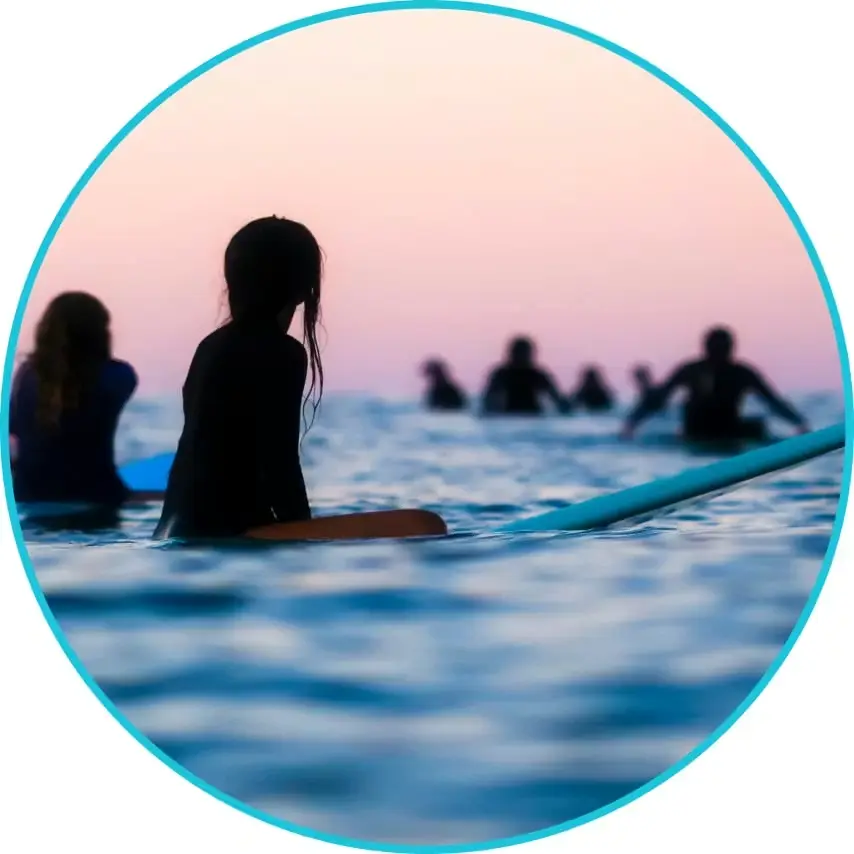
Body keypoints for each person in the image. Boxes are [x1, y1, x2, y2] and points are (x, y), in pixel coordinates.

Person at [154, 216, 446, 542]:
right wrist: (304, 541)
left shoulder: (209, 347)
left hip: (173, 528)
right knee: (427, 525)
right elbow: (281, 464)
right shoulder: (282, 353)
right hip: (228, 530)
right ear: (303, 288)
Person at [9, 292, 137, 506]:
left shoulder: (26, 376)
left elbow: (13, 428)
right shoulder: (119, 376)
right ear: (100, 333)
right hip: (97, 495)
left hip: (29, 496)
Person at [620, 326, 809, 442]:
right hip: (697, 431)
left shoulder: (741, 372)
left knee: (757, 427)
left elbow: (772, 401)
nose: (718, 353)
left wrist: (799, 423)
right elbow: (657, 399)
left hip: (727, 430)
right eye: (715, 347)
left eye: (722, 348)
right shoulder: (691, 369)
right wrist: (631, 423)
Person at [481, 336, 568, 415]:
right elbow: (489, 401)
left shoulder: (536, 374)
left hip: (531, 417)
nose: (521, 356)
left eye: (524, 353)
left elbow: (558, 399)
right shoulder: (502, 374)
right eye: (520, 353)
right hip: (510, 417)